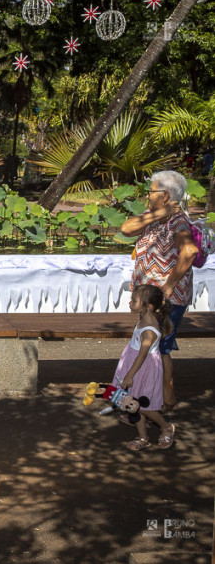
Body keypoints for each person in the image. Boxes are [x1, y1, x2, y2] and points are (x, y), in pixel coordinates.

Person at [120, 171, 198, 413]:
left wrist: (168, 286)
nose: (147, 195)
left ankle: (166, 399)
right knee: (154, 344)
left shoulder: (179, 222)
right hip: (151, 298)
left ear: (164, 195)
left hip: (166, 298)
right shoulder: (152, 216)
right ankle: (161, 396)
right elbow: (126, 229)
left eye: (151, 191)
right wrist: (158, 214)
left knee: (159, 346)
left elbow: (190, 251)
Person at [112, 285, 176, 451]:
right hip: (135, 365)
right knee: (133, 403)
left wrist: (129, 375)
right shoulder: (144, 319)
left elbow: (143, 355)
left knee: (143, 406)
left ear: (149, 306)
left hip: (143, 369)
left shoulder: (149, 330)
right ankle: (142, 437)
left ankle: (166, 426)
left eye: (134, 300)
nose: (130, 302)